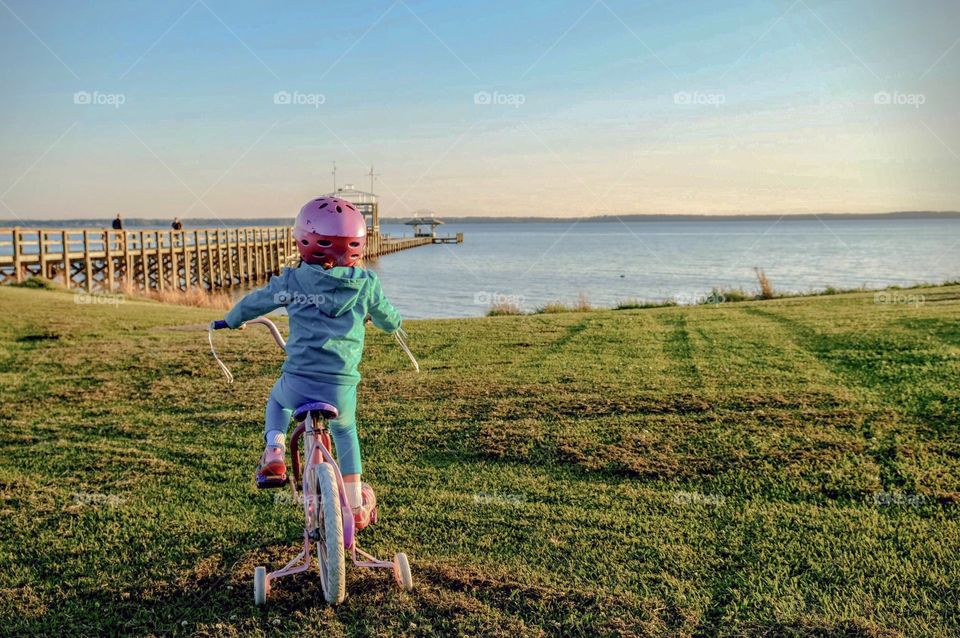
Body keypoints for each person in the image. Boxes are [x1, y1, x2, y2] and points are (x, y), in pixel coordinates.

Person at [219, 196, 401, 529]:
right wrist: (390, 322)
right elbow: (389, 320)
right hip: (340, 385)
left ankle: (274, 453)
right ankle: (356, 503)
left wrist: (231, 320)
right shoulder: (366, 285)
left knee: (278, 400)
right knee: (346, 431)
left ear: (304, 240)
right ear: (357, 245)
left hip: (300, 380)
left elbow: (253, 303)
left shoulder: (294, 281)